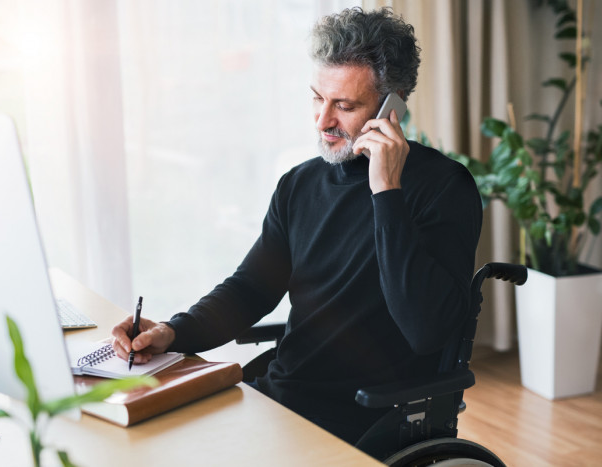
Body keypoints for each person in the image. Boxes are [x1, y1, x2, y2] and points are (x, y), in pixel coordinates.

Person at [112, 7, 482, 445]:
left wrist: (386, 192)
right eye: (316, 98)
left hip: (368, 416)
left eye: (344, 106)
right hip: (281, 396)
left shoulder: (444, 189)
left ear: (393, 105)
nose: (322, 120)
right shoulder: (300, 184)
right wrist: (172, 332)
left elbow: (426, 331)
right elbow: (250, 289)